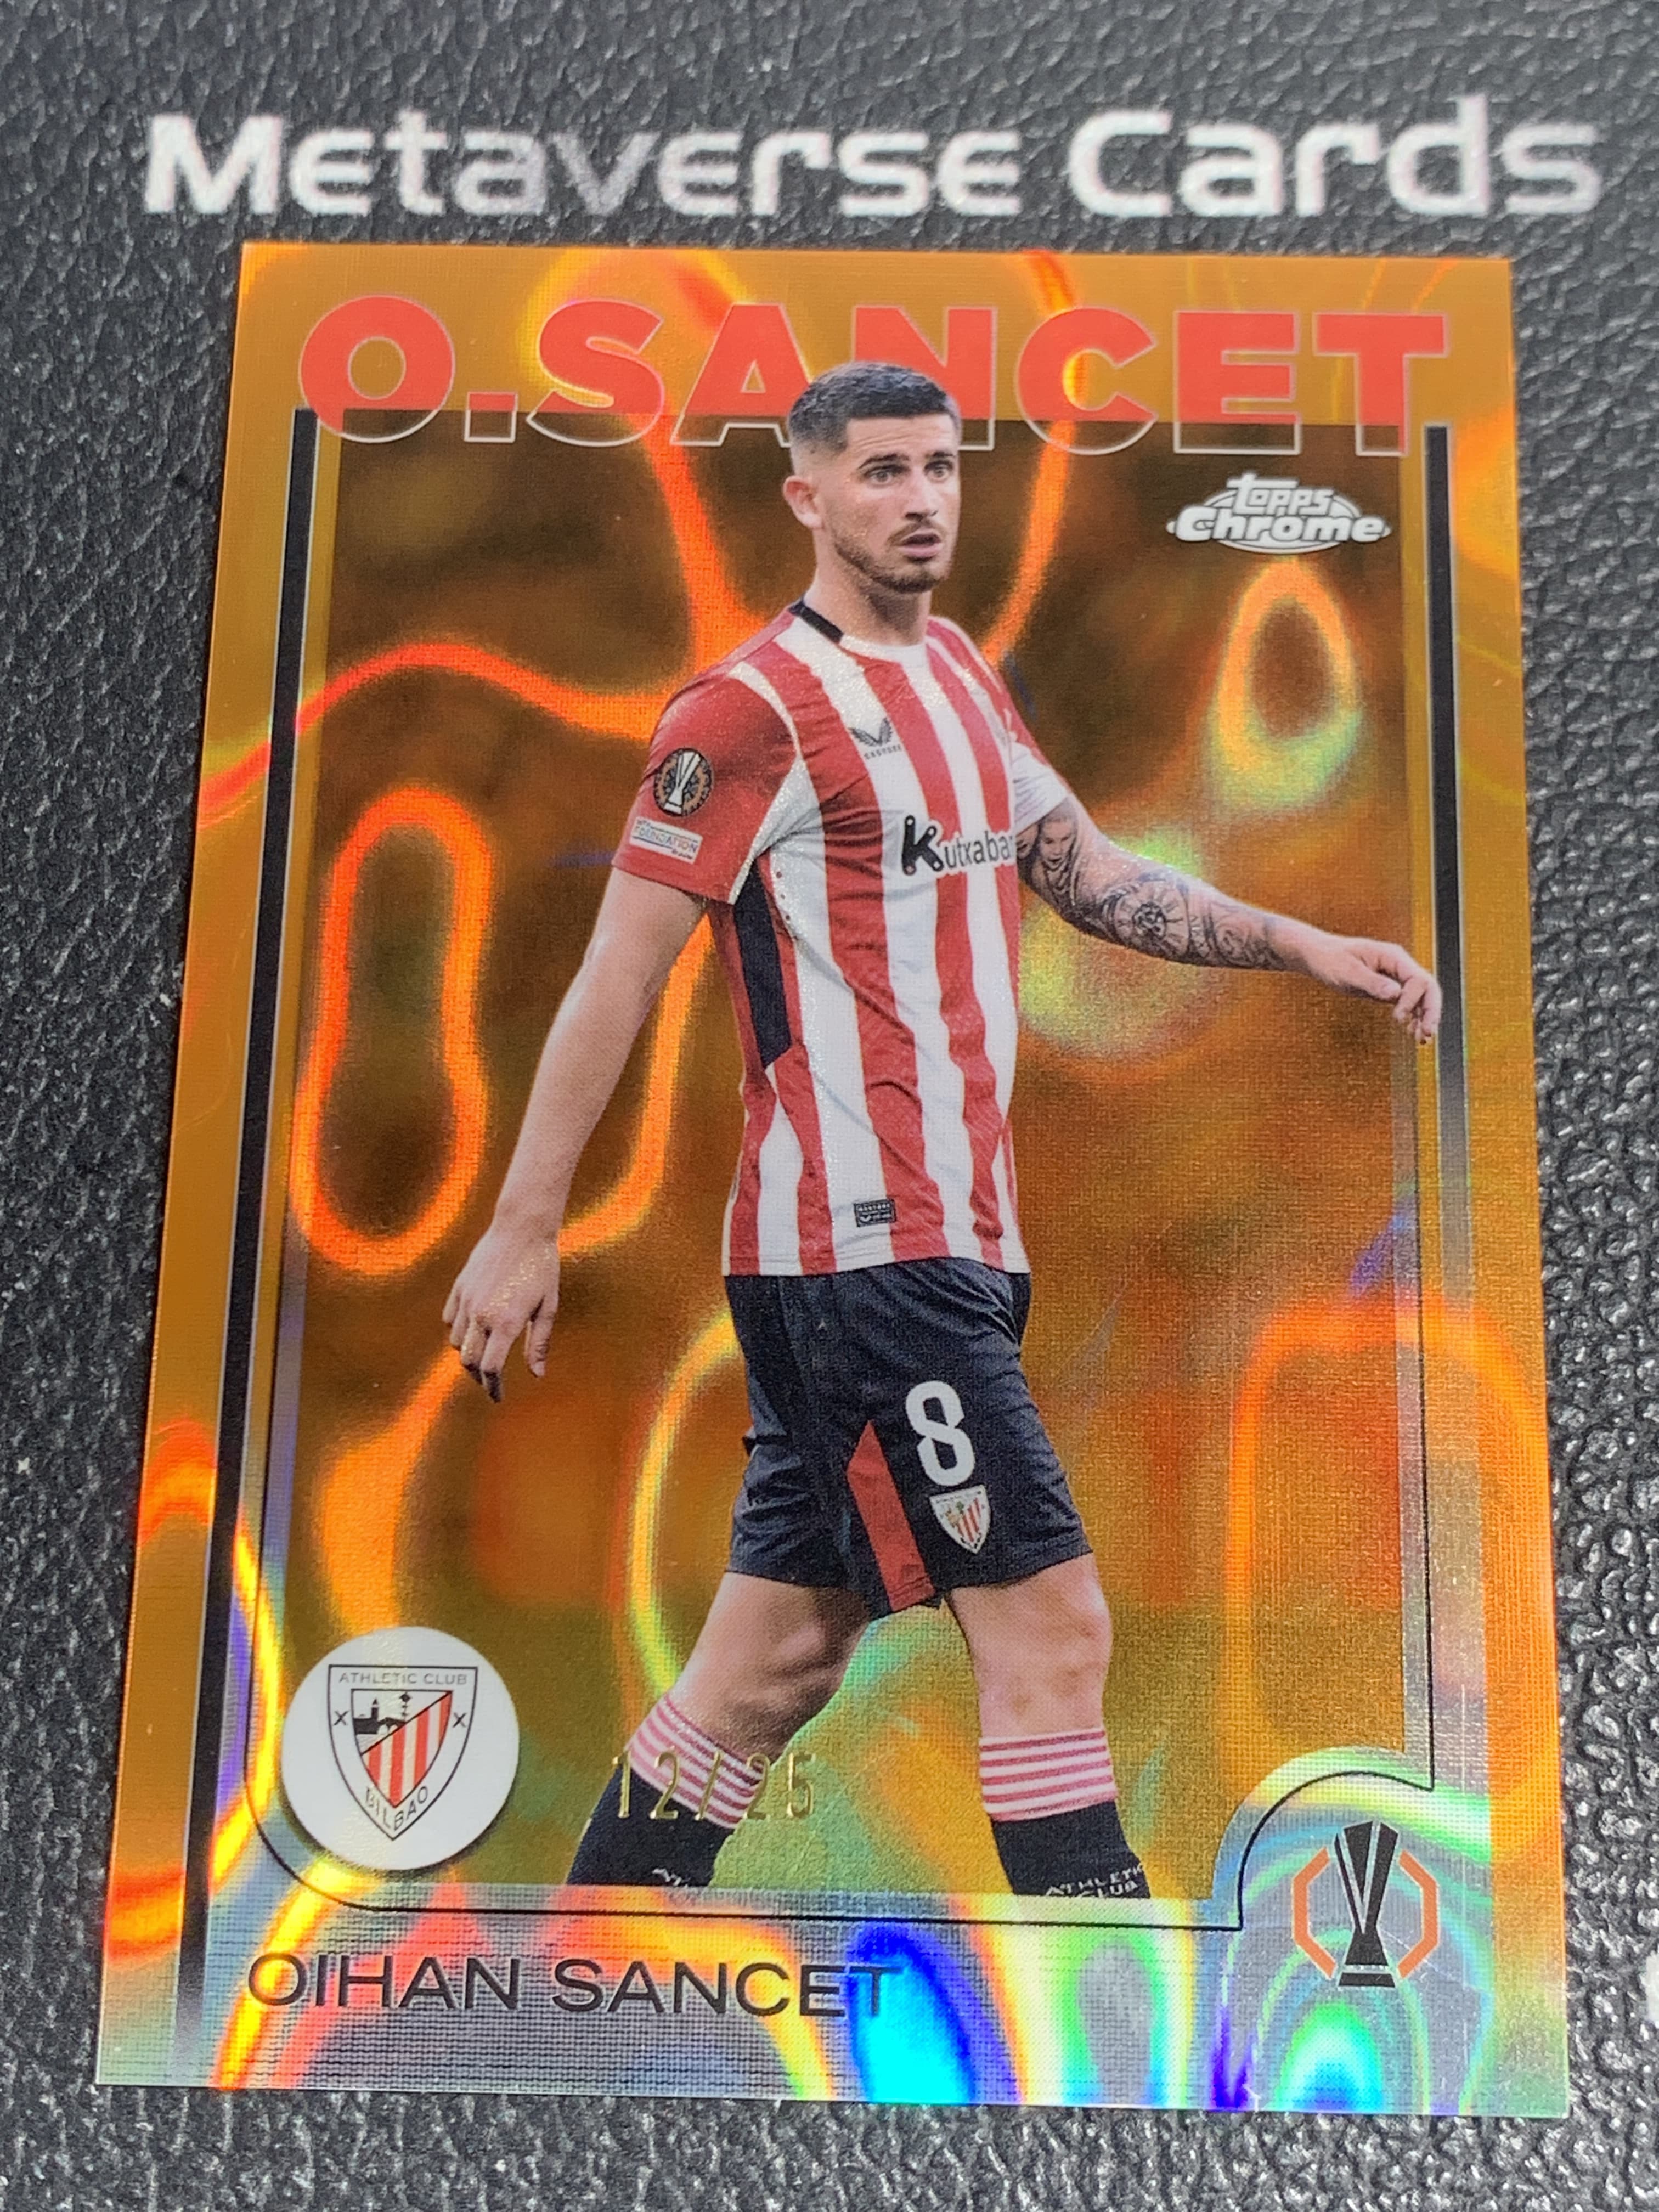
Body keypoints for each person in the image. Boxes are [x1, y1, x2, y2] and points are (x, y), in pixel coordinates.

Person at [443, 360, 1442, 1899]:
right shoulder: (746, 711)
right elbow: (616, 975)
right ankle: (1111, 1969)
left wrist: (1297, 942)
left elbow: (1088, 872)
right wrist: (524, 1228)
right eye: (882, 472)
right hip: (864, 1260)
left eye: (940, 468)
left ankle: (596, 1942)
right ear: (807, 496)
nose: (921, 502)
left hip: (952, 1250)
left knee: (774, 1662)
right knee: (1052, 1629)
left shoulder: (962, 672)